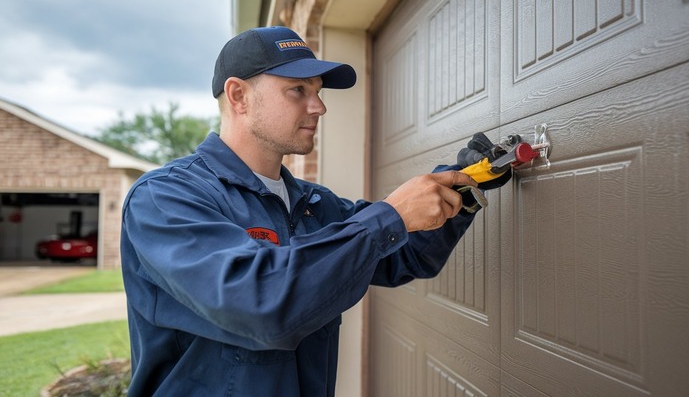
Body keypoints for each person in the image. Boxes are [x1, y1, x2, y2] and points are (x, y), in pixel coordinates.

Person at [120, 26, 506, 396]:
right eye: (297, 90)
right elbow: (261, 304)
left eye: (318, 92)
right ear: (238, 96)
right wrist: (390, 215)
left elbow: (404, 254)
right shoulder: (166, 198)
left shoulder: (313, 204)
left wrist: (460, 186)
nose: (318, 106)